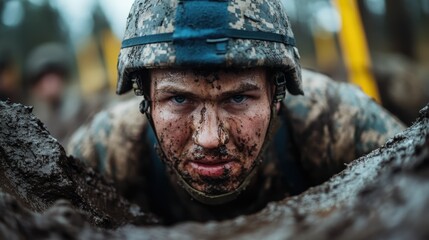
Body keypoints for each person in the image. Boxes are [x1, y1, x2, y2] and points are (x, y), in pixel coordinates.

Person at [68, 0, 404, 225]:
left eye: (239, 99)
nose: (210, 138)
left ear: (277, 93)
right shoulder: (106, 151)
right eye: (180, 101)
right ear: (147, 99)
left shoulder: (335, 122)